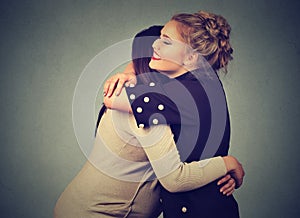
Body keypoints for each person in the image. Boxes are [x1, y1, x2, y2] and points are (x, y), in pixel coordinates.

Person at [103, 11, 241, 217]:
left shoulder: (178, 94)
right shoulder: (207, 80)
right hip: (214, 203)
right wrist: (133, 68)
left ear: (192, 56)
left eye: (166, 42)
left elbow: (112, 98)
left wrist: (229, 163)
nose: (154, 45)